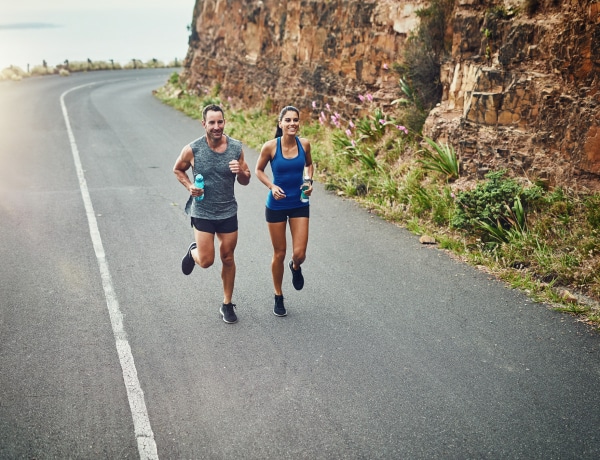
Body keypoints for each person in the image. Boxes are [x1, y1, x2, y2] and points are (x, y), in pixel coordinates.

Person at [173, 104, 251, 324]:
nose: (216, 127)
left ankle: (227, 303)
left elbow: (246, 179)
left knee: (228, 257)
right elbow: (178, 169)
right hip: (203, 210)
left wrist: (241, 172)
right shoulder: (193, 149)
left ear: (224, 122)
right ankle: (193, 252)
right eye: (212, 122)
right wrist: (189, 186)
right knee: (206, 261)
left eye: (220, 122)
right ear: (204, 124)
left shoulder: (236, 147)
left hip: (227, 211)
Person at [255, 105, 314, 317]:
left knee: (300, 253)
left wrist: (308, 181)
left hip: (299, 202)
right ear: (280, 124)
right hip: (277, 205)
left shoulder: (304, 144)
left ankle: (295, 267)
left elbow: (309, 165)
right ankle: (278, 295)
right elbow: (258, 170)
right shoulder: (270, 147)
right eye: (287, 120)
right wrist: (272, 187)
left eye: (295, 120)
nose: (292, 123)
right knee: (279, 253)